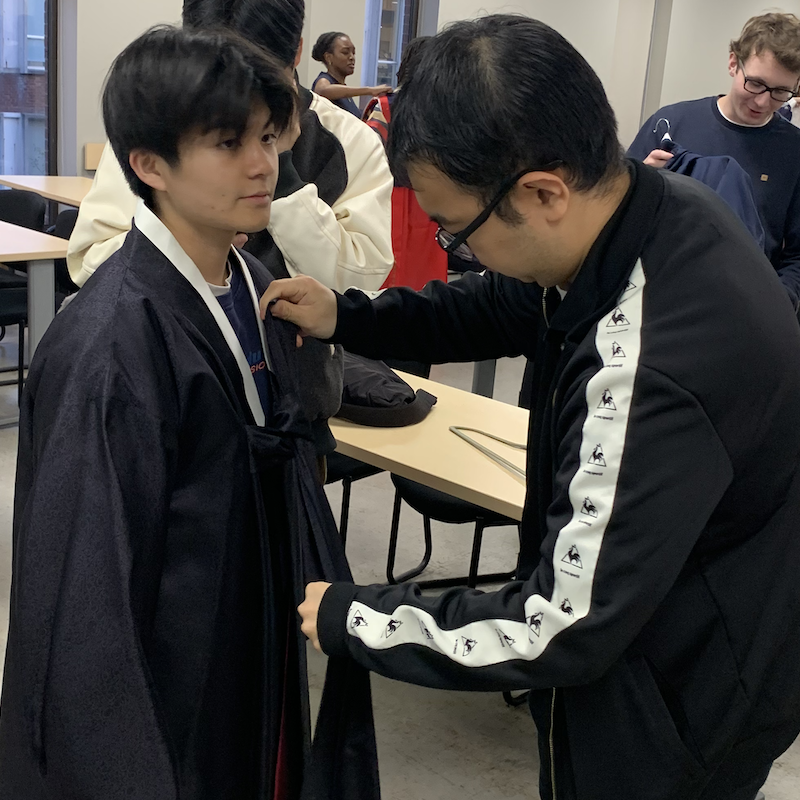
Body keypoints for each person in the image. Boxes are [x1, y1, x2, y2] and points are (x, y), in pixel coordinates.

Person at [262, 14, 800, 800]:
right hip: (672, 616)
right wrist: (349, 315)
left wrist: (356, 617)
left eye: (455, 230)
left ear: (543, 191)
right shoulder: (645, 208)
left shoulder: (651, 363)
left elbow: (558, 624)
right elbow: (504, 304)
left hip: (691, 690)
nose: (458, 250)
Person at [0, 25, 379, 800]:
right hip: (166, 659)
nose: (262, 162)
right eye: (227, 140)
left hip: (248, 623)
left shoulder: (251, 281)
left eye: (269, 135)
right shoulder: (112, 345)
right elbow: (84, 595)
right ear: (148, 165)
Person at [67, 0, 394, 460]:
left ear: (296, 52)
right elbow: (92, 257)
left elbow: (360, 282)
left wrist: (284, 179)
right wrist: (194, 243)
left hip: (296, 407)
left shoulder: (351, 140)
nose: (232, 86)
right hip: (171, 401)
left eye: (263, 134)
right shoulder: (165, 124)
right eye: (226, 140)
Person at [628, 12, 800, 310]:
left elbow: (798, 256)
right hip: (658, 300)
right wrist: (639, 184)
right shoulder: (670, 123)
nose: (763, 102)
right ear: (734, 63)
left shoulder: (794, 151)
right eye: (756, 83)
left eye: (781, 92)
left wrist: (777, 304)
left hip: (746, 307)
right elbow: (610, 215)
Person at [363, 36, 447, 290]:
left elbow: (369, 157)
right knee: (425, 280)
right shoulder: (443, 109)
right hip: (428, 201)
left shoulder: (386, 106)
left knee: (395, 279)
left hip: (394, 200)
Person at [311, 31, 391, 117]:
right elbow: (322, 90)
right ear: (328, 57)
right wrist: (370, 90)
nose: (352, 57)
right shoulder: (324, 80)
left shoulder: (344, 92)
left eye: (353, 53)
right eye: (345, 52)